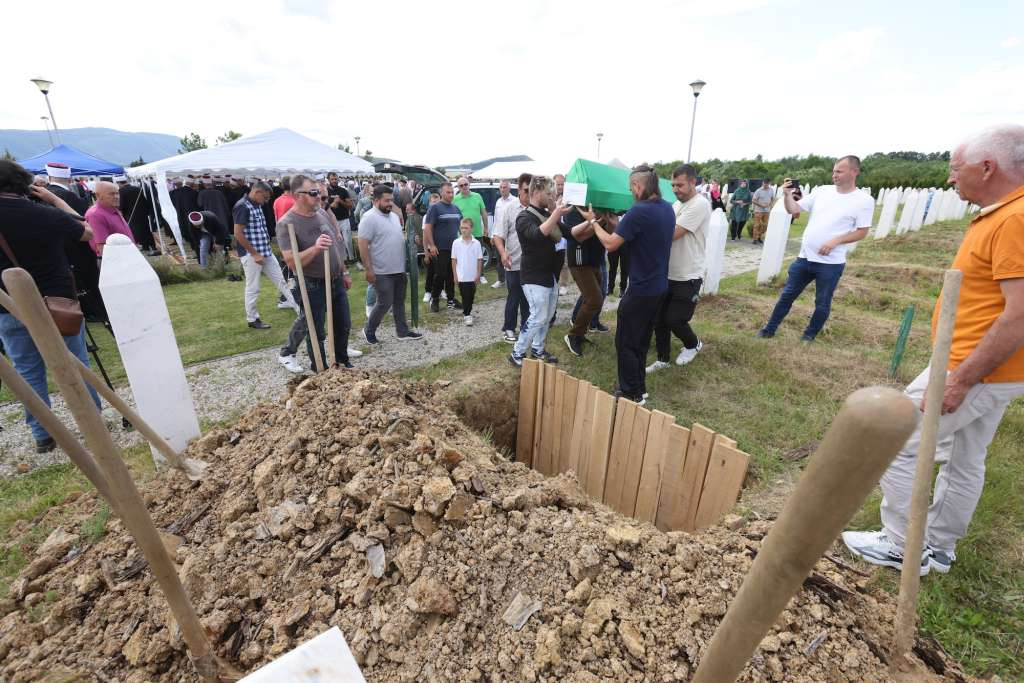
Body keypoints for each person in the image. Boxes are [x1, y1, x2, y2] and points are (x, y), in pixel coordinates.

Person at [842, 125, 1024, 576]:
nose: (949, 179)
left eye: (955, 169)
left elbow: (1019, 315)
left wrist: (961, 378)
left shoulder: (1015, 219)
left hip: (974, 365)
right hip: (992, 367)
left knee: (900, 440)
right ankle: (938, 546)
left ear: (987, 167)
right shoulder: (1003, 213)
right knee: (965, 455)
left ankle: (902, 545)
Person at [0, 160, 102, 453]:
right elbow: (86, 231)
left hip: (9, 306)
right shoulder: (39, 213)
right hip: (57, 302)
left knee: (28, 371)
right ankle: (91, 420)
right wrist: (54, 199)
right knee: (77, 365)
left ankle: (42, 432)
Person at [757, 157, 873, 341]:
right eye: (834, 171)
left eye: (839, 171)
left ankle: (808, 336)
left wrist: (836, 241)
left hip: (830, 264)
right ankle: (768, 330)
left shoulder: (864, 200)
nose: (834, 175)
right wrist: (787, 195)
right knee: (786, 296)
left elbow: (862, 231)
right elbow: (793, 209)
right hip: (804, 259)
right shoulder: (822, 192)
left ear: (854, 172)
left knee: (822, 303)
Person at [590, 166, 675, 405]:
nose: (630, 193)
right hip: (659, 286)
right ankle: (640, 388)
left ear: (638, 186)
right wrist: (617, 223)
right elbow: (641, 233)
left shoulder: (639, 211)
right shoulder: (667, 208)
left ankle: (630, 393)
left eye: (631, 189)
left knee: (626, 340)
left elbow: (609, 244)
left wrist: (594, 223)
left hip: (640, 289)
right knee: (641, 340)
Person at [276, 175, 354, 371]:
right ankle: (321, 369)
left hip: (335, 279)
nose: (318, 197)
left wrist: (343, 271)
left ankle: (341, 364)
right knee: (315, 330)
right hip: (312, 283)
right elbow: (292, 262)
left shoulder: (321, 213)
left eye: (318, 192)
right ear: (297, 195)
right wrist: (316, 249)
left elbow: (336, 244)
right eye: (313, 193)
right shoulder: (287, 223)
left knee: (343, 325)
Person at [647, 164, 710, 372]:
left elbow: (671, 233)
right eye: (673, 185)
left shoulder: (700, 204)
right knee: (659, 319)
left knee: (675, 319)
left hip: (688, 274)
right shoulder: (676, 205)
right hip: (667, 273)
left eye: (680, 185)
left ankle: (693, 345)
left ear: (693, 182)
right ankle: (663, 359)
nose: (675, 189)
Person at [508, 176, 571, 367]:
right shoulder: (524, 217)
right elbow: (536, 235)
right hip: (533, 276)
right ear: (536, 191)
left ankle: (538, 350)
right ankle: (516, 354)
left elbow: (568, 232)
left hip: (549, 274)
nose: (552, 196)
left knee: (547, 315)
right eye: (548, 193)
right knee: (538, 316)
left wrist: (592, 222)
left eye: (553, 193)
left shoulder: (545, 213)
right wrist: (555, 214)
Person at [358, 184, 423, 344]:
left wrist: (410, 240)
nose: (390, 204)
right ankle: (369, 330)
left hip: (399, 268)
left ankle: (402, 332)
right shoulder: (369, 218)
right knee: (384, 303)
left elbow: (396, 238)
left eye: (391, 201)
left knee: (399, 302)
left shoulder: (393, 216)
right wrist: (369, 270)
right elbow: (362, 244)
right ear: (376, 200)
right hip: (381, 270)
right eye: (387, 201)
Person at [233, 181, 299, 329]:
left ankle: (299, 309)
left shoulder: (256, 204)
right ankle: (252, 319)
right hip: (252, 255)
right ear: (257, 192)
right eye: (266, 197)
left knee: (282, 281)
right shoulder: (242, 206)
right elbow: (238, 233)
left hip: (265, 251)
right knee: (253, 287)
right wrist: (255, 254)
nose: (266, 201)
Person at [562, 201, 606, 358]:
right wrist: (596, 223)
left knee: (596, 299)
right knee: (594, 299)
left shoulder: (601, 206)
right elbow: (576, 236)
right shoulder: (574, 208)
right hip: (580, 261)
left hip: (595, 259)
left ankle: (580, 334)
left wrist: (602, 222)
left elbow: (610, 231)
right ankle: (573, 335)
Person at [493, 173, 531, 343]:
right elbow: (498, 236)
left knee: (528, 297)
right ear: (519, 189)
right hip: (513, 262)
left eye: (533, 190)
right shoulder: (510, 209)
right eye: (526, 190)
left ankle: (525, 327)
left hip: (531, 264)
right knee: (514, 295)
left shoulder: (536, 209)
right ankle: (508, 328)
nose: (530, 194)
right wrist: (502, 253)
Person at [423, 182, 463, 312]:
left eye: (452, 192)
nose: (451, 195)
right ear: (442, 193)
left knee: (451, 275)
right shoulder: (435, 208)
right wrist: (432, 245)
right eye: (448, 192)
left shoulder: (456, 209)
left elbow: (461, 227)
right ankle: (434, 299)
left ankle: (451, 299)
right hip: (440, 248)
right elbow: (428, 228)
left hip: (454, 248)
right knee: (440, 274)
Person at [452, 176, 489, 284]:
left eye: (465, 184)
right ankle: (463, 274)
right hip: (462, 233)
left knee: (479, 255)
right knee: (463, 256)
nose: (464, 187)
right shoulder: (455, 199)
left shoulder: (477, 196)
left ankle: (481, 275)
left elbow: (484, 213)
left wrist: (486, 228)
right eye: (461, 185)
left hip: (476, 231)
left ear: (469, 185)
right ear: (458, 187)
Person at [84, 181, 136, 257]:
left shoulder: (112, 208)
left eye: (117, 193)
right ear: (98, 196)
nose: (116, 197)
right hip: (115, 260)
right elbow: (102, 248)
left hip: (126, 256)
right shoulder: (95, 215)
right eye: (111, 194)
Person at [451, 217, 484, 326]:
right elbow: (454, 260)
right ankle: (467, 314)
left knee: (471, 294)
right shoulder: (456, 243)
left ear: (471, 229)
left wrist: (478, 274)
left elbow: (479, 259)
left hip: (472, 275)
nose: (463, 230)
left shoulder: (476, 243)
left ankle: (468, 310)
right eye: (462, 228)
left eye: (466, 228)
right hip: (462, 275)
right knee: (465, 295)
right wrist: (455, 275)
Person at [491, 179, 518, 288]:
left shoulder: (515, 201)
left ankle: (511, 279)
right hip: (499, 233)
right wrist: (493, 234)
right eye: (501, 187)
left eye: (504, 187)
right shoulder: (498, 202)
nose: (502, 189)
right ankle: (501, 279)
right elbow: (496, 219)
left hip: (510, 233)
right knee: (499, 257)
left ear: (509, 188)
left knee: (511, 256)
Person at [326, 172, 354, 265]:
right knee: (338, 241)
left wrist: (341, 201)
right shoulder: (326, 192)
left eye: (335, 179)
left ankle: (351, 258)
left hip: (344, 219)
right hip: (332, 220)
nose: (334, 181)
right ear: (329, 180)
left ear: (338, 179)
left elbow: (350, 206)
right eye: (332, 179)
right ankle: (343, 260)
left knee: (348, 240)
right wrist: (332, 205)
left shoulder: (343, 191)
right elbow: (322, 207)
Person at [751, 179, 774, 244]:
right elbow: (753, 200)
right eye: (764, 184)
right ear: (762, 183)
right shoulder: (758, 191)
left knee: (765, 225)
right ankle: (755, 239)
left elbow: (772, 199)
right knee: (757, 225)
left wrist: (769, 205)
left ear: (769, 183)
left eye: (767, 184)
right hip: (759, 210)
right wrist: (761, 205)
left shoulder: (771, 190)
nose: (765, 185)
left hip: (767, 211)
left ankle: (759, 237)